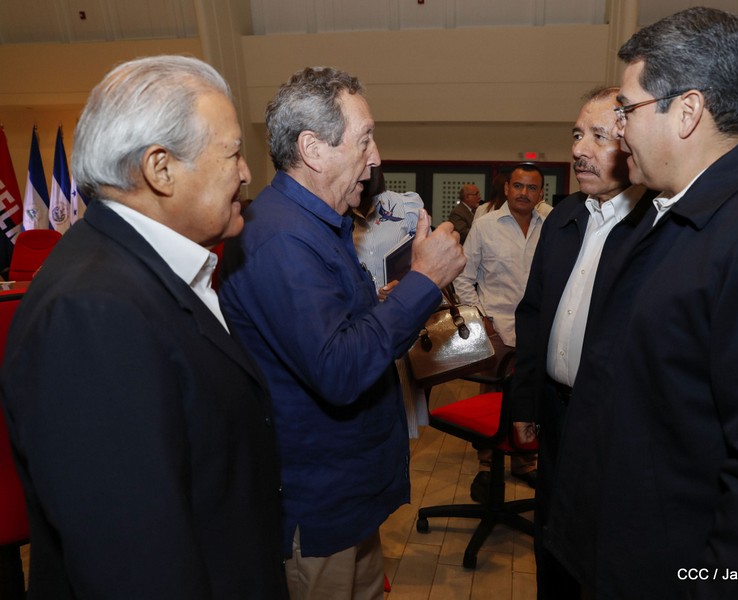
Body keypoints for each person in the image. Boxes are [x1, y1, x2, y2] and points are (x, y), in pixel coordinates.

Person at [540, 8, 738, 598]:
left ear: (688, 110)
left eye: (628, 110)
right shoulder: (659, 216)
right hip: (616, 554)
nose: (619, 131)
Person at [0, 55, 287, 598]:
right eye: (232, 153)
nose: (247, 172)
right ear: (161, 169)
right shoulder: (91, 315)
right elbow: (134, 563)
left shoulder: (151, 271)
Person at [218, 66, 465, 600]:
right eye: (365, 139)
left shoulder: (317, 225)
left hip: (347, 490)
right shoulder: (282, 238)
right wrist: (424, 281)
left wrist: (391, 300)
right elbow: (339, 368)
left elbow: (338, 329)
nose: (375, 158)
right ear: (313, 149)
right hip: (318, 500)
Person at [510, 87, 654, 599]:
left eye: (598, 136)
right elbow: (532, 315)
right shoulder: (563, 217)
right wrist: (525, 402)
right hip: (555, 414)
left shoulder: (655, 228)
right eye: (576, 134)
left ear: (632, 141)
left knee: (603, 552)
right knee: (552, 543)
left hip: (616, 427)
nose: (578, 149)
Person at [453, 163, 550, 501]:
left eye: (532, 188)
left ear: (541, 194)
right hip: (496, 332)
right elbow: (463, 277)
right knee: (492, 404)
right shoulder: (485, 226)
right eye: (518, 186)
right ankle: (485, 466)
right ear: (507, 188)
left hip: (538, 334)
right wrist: (481, 320)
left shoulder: (551, 226)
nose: (524, 193)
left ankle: (525, 462)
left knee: (530, 401)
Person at [352, 166, 428, 438]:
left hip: (397, 323)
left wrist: (406, 286)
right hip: (355, 326)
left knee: (398, 422)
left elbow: (425, 262)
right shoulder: (334, 213)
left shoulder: (404, 207)